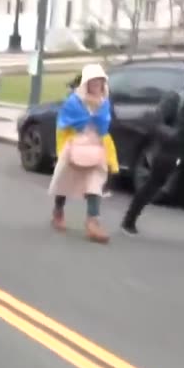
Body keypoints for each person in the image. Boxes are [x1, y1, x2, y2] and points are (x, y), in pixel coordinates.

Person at [122, 64, 184, 243]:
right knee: (153, 185)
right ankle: (129, 220)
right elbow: (157, 122)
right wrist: (173, 135)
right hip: (171, 151)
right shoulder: (177, 98)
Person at [48, 64, 118, 244]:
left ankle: (93, 221)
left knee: (96, 182)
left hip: (96, 146)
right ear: (86, 82)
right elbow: (63, 124)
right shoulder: (74, 101)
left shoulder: (104, 102)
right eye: (93, 80)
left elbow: (104, 126)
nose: (97, 84)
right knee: (64, 181)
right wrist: (62, 148)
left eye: (100, 81)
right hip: (74, 144)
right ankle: (58, 210)